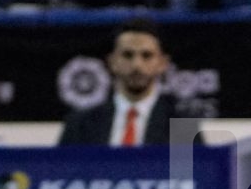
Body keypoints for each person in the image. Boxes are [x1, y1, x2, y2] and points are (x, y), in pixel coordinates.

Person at [58, 20, 193, 147]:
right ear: (112, 62)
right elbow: (64, 171)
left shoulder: (181, 126)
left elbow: (186, 172)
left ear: (162, 63)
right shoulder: (80, 125)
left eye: (147, 55)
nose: (136, 65)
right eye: (127, 55)